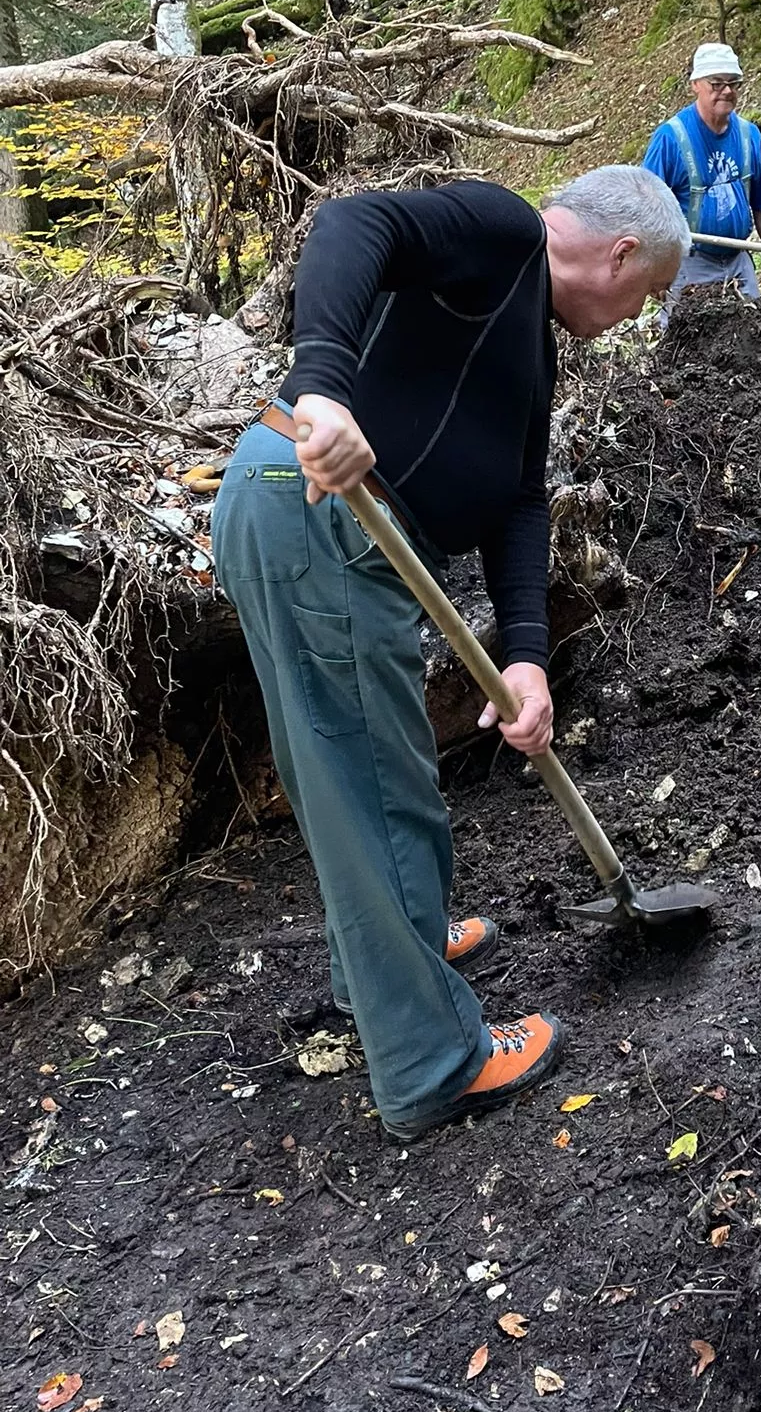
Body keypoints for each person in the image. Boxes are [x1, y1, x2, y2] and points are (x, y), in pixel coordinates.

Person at [210, 167, 688, 1144]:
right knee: (377, 790)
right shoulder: (501, 229)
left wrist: (527, 658)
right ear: (620, 252)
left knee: (368, 777)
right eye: (644, 297)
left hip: (317, 531)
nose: (637, 316)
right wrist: (326, 389)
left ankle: (391, 960)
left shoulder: (531, 342)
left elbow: (519, 499)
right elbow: (352, 224)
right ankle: (432, 1061)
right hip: (319, 509)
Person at [642, 40, 761, 317]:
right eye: (717, 83)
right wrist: (654, 271)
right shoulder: (671, 138)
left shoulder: (748, 136)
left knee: (753, 336)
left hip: (738, 262)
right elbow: (646, 210)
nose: (727, 91)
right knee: (688, 349)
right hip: (689, 264)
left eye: (734, 83)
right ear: (695, 84)